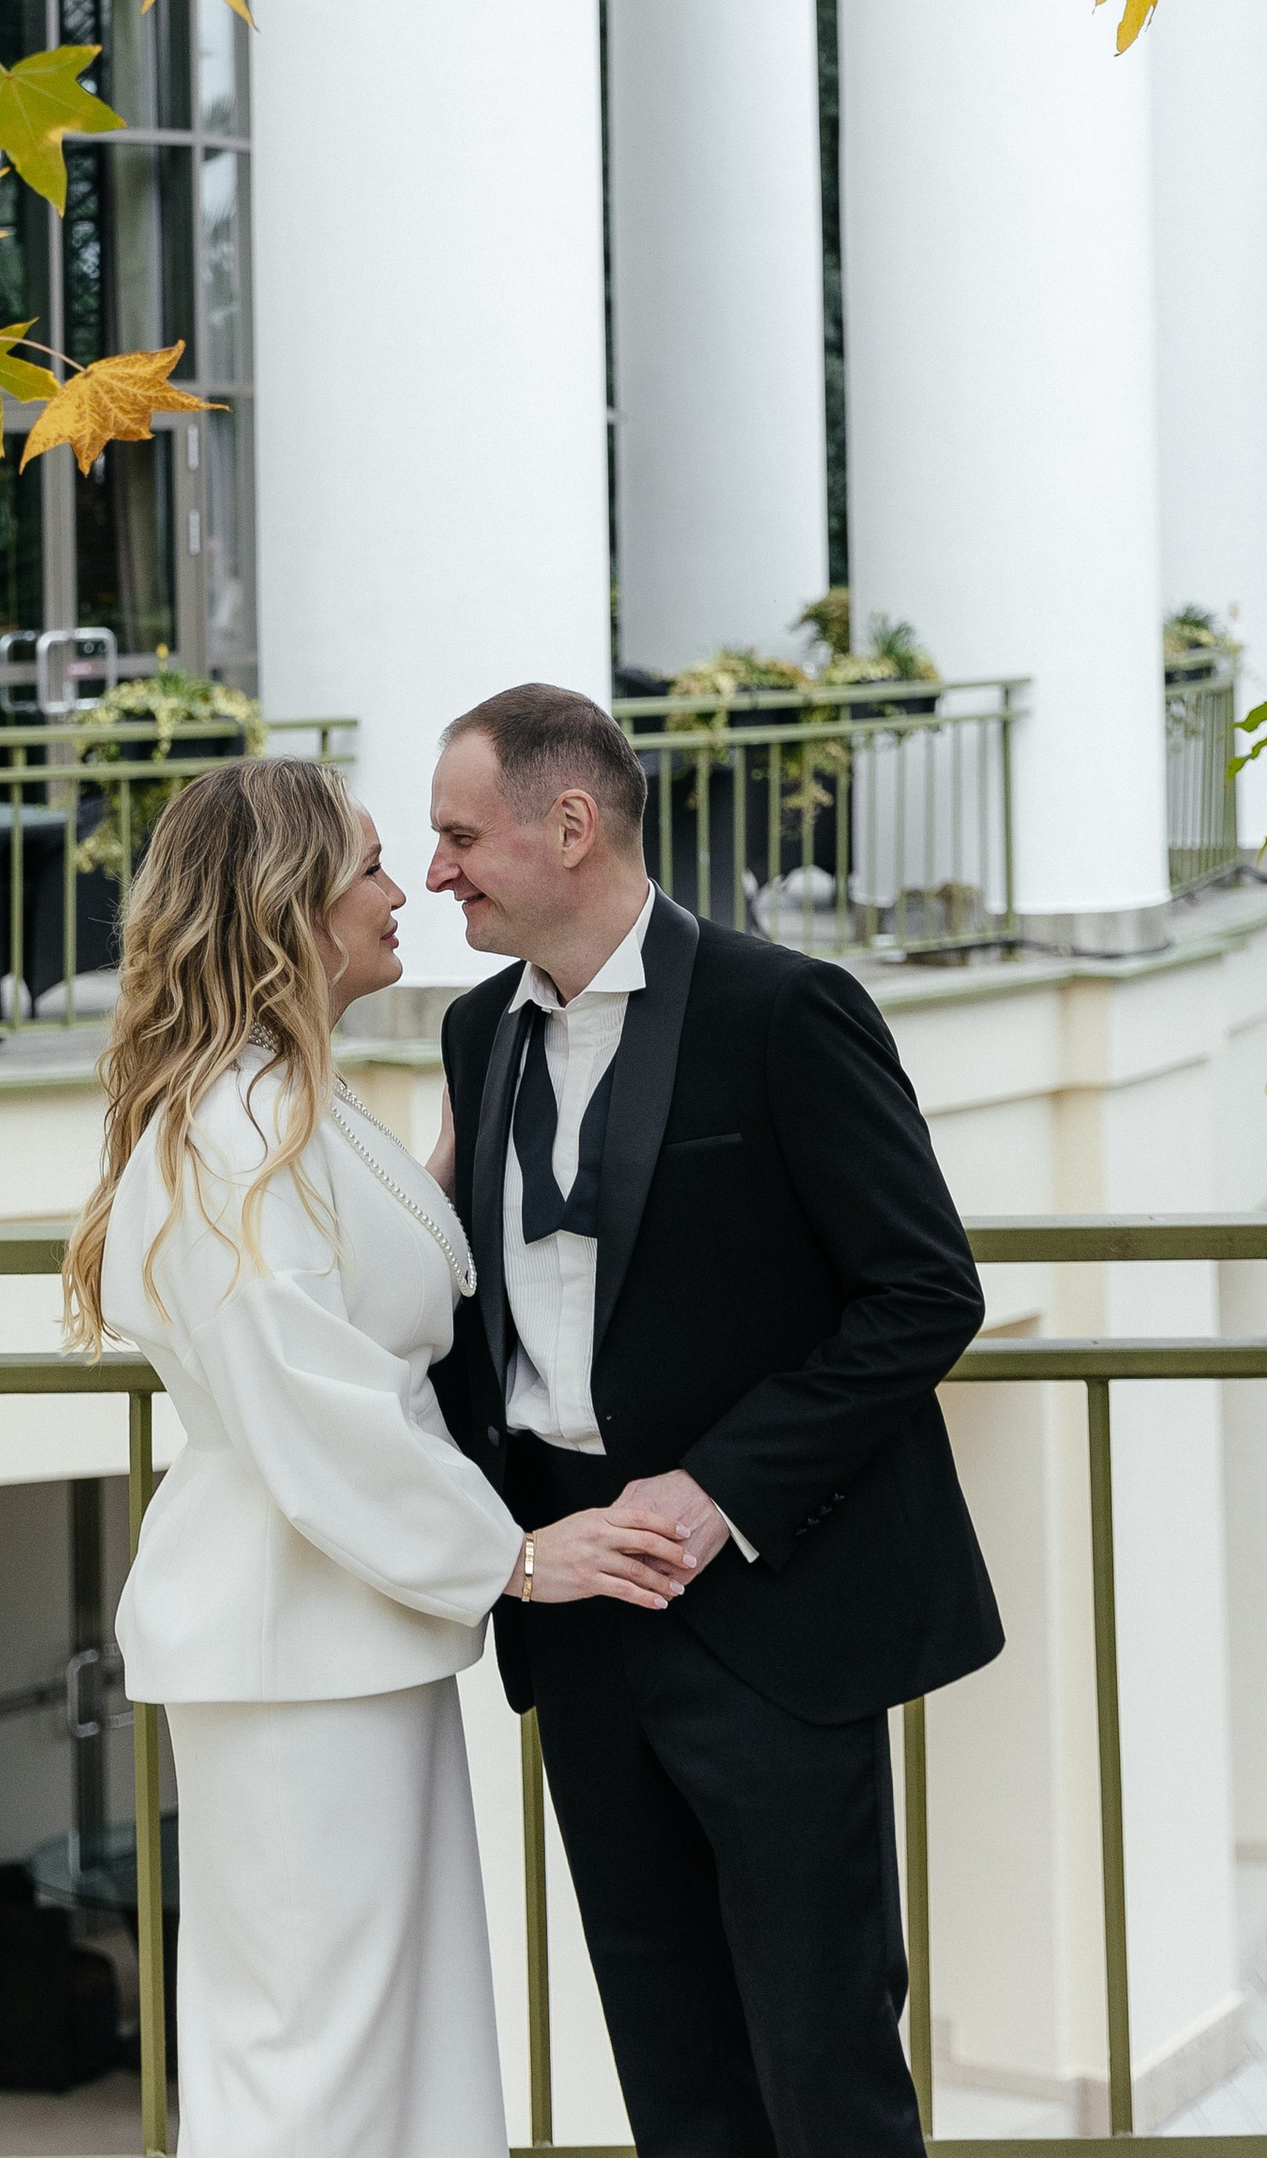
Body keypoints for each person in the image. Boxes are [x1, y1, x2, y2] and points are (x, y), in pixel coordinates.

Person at [65, 754, 690, 2156]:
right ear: (288, 903)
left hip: (344, 1638)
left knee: (372, 2043)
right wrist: (518, 1557)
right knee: (315, 2058)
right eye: (364, 866)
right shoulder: (232, 1130)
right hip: (295, 1650)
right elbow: (315, 1408)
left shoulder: (288, 1103)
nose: (401, 890)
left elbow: (376, 1284)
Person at [424, 681, 1004, 2158]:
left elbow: (921, 1294)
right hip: (578, 1605)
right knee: (667, 2055)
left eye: (459, 837)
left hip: (766, 1604)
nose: (438, 873)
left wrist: (717, 1491)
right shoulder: (475, 1035)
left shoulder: (787, 1008)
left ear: (570, 826)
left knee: (825, 2063)